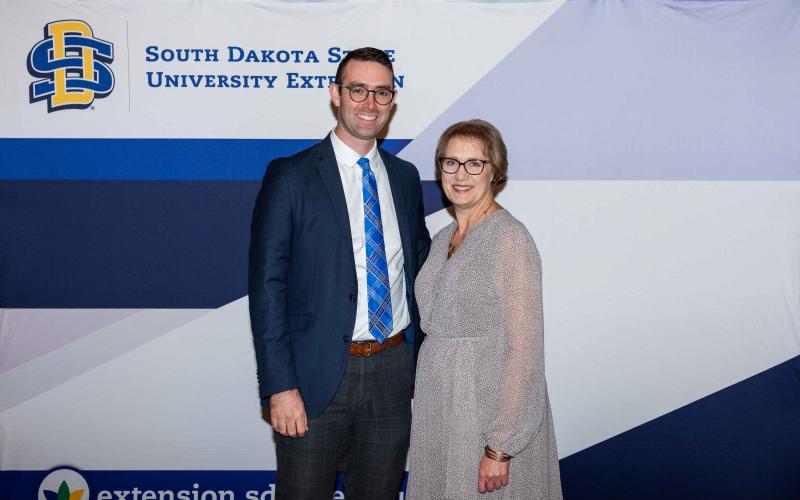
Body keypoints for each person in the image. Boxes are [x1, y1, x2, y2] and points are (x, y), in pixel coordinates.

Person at [248, 47, 431, 499]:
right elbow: (266, 287)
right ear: (336, 94)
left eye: (381, 92)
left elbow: (421, 271)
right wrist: (280, 386)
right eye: (358, 90)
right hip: (314, 380)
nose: (369, 102)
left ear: (393, 100)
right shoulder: (290, 177)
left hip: (392, 374)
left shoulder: (405, 178)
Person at [407, 119, 563, 499]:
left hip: (486, 416)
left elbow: (524, 349)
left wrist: (500, 445)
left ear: (496, 173)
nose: (461, 174)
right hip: (442, 409)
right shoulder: (444, 237)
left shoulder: (510, 239)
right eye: (451, 162)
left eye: (475, 163)